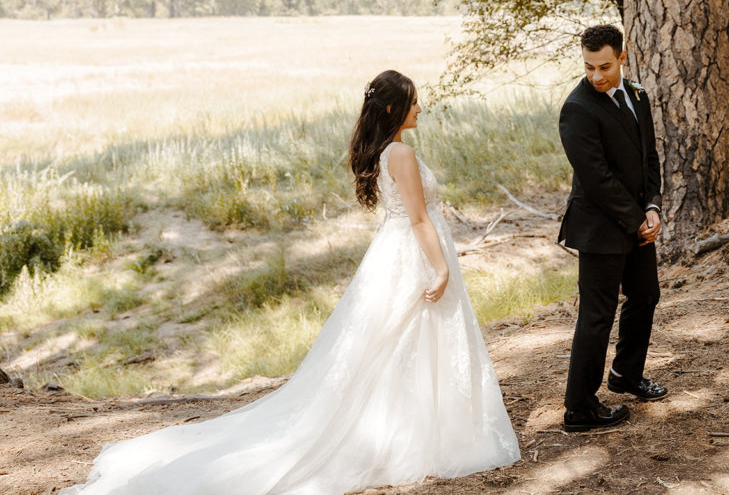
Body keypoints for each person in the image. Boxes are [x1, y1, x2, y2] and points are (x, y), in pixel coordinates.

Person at [62, 70, 520, 494]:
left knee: (397, 345)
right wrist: (440, 268)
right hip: (414, 255)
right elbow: (419, 219)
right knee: (401, 341)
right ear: (391, 109)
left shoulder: (388, 151)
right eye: (414, 102)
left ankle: (413, 423)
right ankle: (412, 431)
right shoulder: (400, 152)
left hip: (398, 251)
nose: (421, 108)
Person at [557, 24, 667, 433]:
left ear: (622, 57)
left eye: (604, 66)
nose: (596, 76)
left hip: (639, 222)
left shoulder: (638, 94)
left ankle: (625, 375)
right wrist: (638, 219)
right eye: (588, 68)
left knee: (646, 295)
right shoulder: (577, 109)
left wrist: (652, 207)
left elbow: (649, 158)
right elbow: (597, 178)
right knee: (597, 315)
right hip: (600, 228)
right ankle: (579, 409)